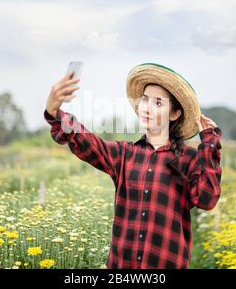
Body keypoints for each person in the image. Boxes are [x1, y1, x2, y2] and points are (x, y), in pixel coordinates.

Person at [44, 63, 222, 269]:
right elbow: (86, 140)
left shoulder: (189, 159)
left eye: (158, 103)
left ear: (174, 114)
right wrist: (55, 111)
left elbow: (207, 200)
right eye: (145, 99)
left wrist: (209, 144)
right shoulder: (124, 155)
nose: (147, 107)